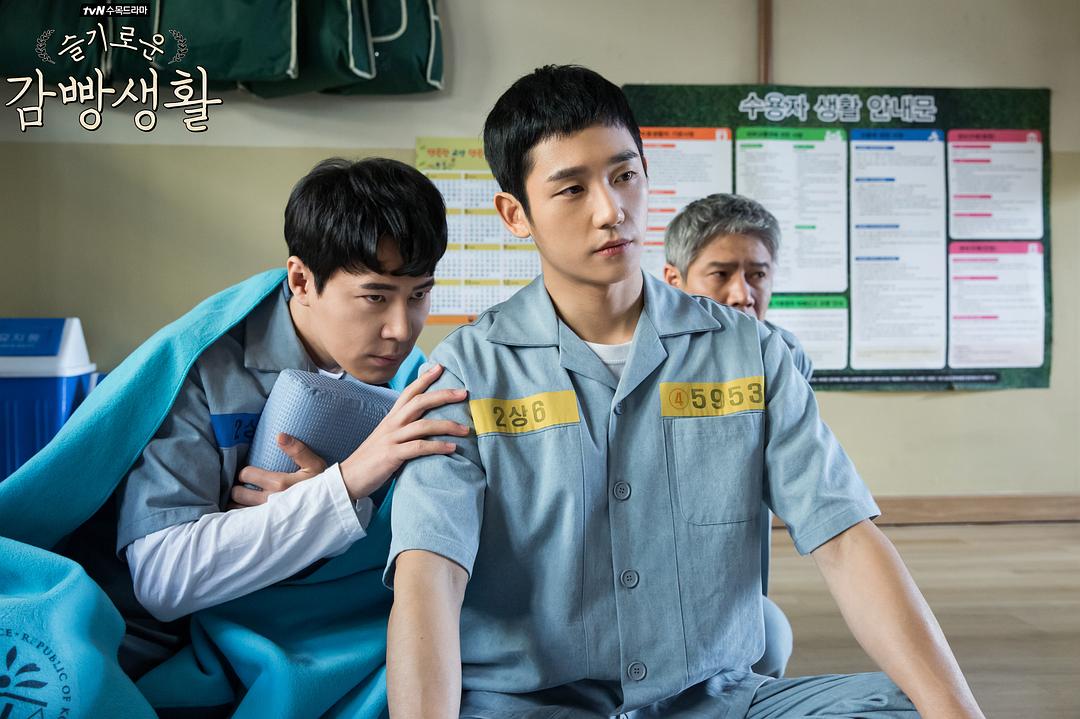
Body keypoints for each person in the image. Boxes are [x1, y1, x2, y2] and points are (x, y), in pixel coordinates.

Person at [383, 65, 985, 719]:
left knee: (909, 706)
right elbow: (430, 577)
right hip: (532, 705)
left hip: (710, 699)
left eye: (624, 175)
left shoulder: (750, 353)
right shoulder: (467, 372)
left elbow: (844, 540)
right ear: (515, 214)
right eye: (572, 189)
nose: (611, 210)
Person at [0, 156, 467, 718]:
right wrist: (344, 487)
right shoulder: (202, 367)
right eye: (375, 296)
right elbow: (163, 580)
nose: (400, 328)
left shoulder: (412, 377)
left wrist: (325, 506)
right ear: (301, 280)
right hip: (146, 632)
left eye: (418, 295)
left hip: (314, 624)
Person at [663, 192, 807, 678]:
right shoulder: (639, 360)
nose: (742, 294)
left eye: (757, 275)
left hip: (729, 586)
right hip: (642, 580)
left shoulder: (785, 357)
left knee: (767, 639)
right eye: (720, 274)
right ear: (674, 281)